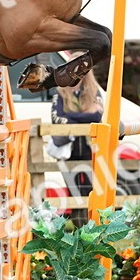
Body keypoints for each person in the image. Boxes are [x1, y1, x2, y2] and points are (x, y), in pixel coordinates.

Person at [50, 70, 105, 200]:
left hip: (89, 147)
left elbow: (97, 116)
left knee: (90, 189)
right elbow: (56, 117)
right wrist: (86, 115)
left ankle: (90, 219)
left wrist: (69, 115)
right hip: (67, 147)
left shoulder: (94, 90)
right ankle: (77, 219)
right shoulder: (60, 91)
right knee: (73, 191)